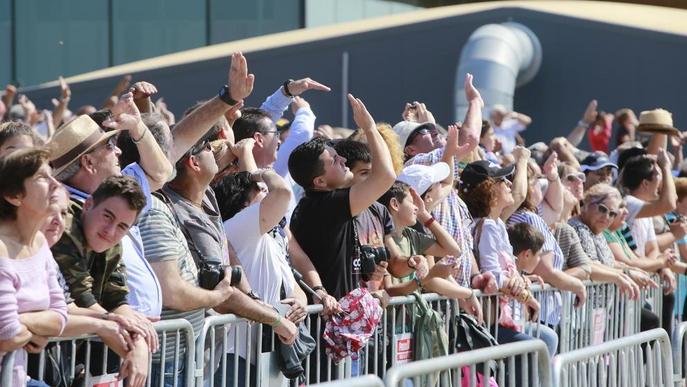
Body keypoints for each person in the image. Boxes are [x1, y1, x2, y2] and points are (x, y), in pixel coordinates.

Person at [289, 94, 396, 301]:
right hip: (330, 323)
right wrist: (370, 128)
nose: (344, 160)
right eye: (335, 160)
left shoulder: (318, 203)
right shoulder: (326, 206)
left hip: (337, 318)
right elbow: (386, 176)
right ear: (319, 181)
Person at [458, 160, 558, 362]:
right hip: (491, 320)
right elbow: (492, 276)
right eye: (503, 180)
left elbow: (509, 272)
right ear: (490, 191)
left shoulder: (497, 225)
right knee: (538, 346)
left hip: (507, 315)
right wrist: (523, 294)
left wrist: (522, 282)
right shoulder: (486, 226)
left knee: (547, 339)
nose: (510, 184)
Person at [216, 170, 308, 385]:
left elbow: (294, 287)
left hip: (270, 350)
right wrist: (260, 173)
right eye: (262, 192)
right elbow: (283, 192)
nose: (269, 196)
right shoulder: (236, 227)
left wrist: (300, 305)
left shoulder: (271, 238)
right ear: (244, 207)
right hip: (236, 354)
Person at [0, 148, 68, 387]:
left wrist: (23, 322)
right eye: (41, 177)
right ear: (14, 196)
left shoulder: (40, 243)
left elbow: (60, 316)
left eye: (52, 174)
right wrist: (39, 329)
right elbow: (8, 335)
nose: (54, 184)